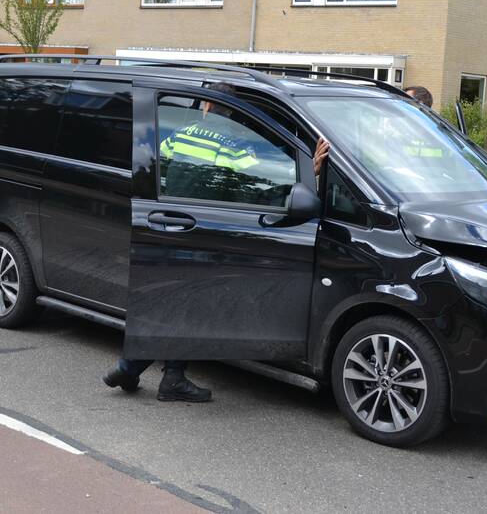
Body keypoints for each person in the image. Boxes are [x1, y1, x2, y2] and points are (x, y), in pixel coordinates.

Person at [103, 82, 329, 402]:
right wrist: (312, 172)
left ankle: (136, 369)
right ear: (234, 113)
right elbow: (263, 187)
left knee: (172, 302)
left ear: (207, 107)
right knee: (193, 307)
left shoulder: (180, 135)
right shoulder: (236, 145)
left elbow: (157, 172)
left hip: (168, 223)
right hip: (208, 232)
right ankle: (163, 378)